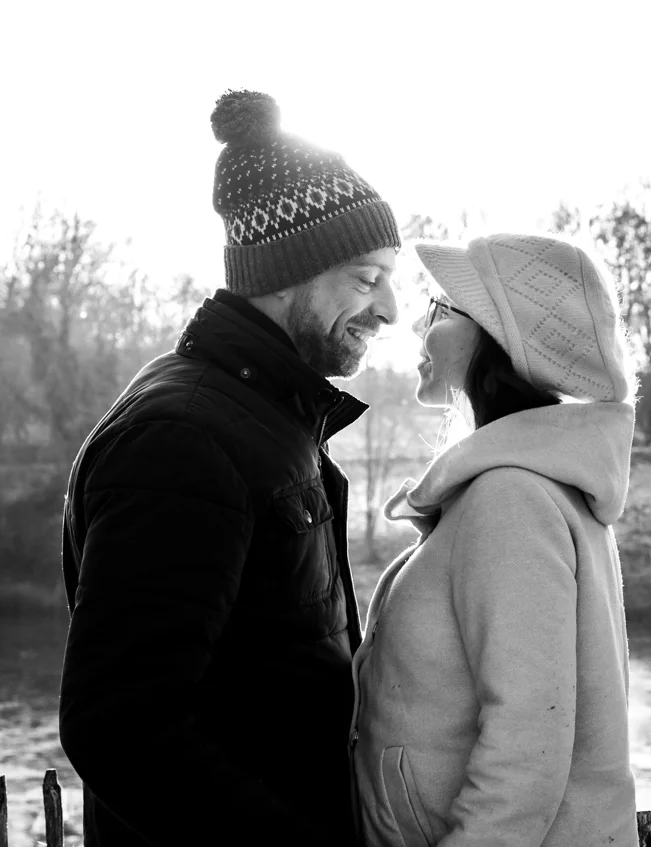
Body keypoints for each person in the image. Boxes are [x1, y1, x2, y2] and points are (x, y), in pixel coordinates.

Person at [58, 89, 400, 846]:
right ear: (284, 272)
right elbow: (120, 726)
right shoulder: (183, 439)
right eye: (366, 279)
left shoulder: (260, 418)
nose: (392, 310)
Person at [350, 233, 640, 846]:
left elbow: (527, 745)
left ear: (497, 340)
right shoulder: (530, 487)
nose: (416, 328)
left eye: (439, 309)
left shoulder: (511, 500)